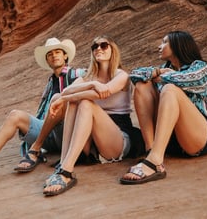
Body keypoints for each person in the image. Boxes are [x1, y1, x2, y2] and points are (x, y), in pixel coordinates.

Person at [0, 37, 86, 190]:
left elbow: (90, 76)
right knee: (15, 115)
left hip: (66, 132)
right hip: (49, 133)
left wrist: (68, 92)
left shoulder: (75, 73)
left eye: (58, 52)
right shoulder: (50, 83)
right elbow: (42, 114)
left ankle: (35, 149)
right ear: (47, 61)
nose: (54, 55)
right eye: (50, 54)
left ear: (65, 56)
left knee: (58, 99)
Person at [120, 30, 207, 185]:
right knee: (142, 85)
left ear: (178, 44)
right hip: (170, 141)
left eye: (164, 42)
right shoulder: (163, 67)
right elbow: (134, 75)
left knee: (170, 89)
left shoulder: (201, 67)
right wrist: (158, 71)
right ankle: (151, 150)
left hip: (198, 137)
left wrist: (162, 77)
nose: (160, 46)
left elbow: (190, 80)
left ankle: (154, 162)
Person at [42, 35, 137, 196]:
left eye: (103, 45)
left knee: (84, 102)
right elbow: (66, 91)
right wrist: (92, 83)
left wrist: (64, 98)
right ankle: (63, 165)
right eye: (95, 47)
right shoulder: (88, 77)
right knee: (74, 101)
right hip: (92, 141)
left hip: (117, 137)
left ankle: (66, 171)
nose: (98, 49)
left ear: (112, 49)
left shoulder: (121, 75)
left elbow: (102, 93)